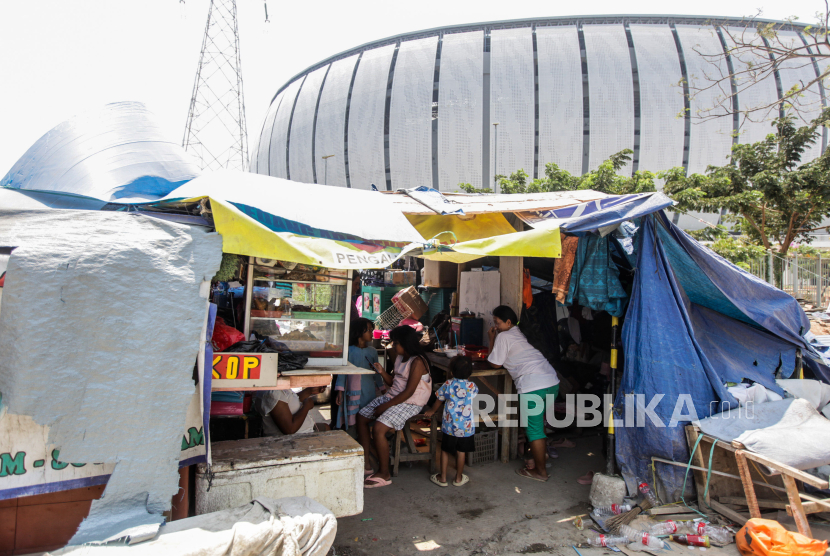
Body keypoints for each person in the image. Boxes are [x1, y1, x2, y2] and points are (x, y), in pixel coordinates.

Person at [487, 305, 560, 482]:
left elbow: (495, 363)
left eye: (497, 323)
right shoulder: (518, 332)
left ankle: (541, 473)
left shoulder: (503, 336)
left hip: (533, 387)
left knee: (534, 431)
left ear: (508, 322)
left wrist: (491, 338)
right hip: (552, 382)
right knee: (538, 427)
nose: (495, 326)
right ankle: (540, 457)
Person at [357, 325, 432, 488]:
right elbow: (394, 383)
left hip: (411, 402)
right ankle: (366, 463)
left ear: (405, 343)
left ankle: (384, 473)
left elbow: (409, 392)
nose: (393, 345)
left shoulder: (418, 361)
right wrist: (382, 372)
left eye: (395, 342)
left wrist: (385, 406)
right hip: (395, 396)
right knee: (362, 417)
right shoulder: (400, 357)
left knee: (378, 429)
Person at [425, 356, 478, 487]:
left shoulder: (448, 384)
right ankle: (458, 478)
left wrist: (432, 411)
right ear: (469, 373)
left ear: (452, 372)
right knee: (461, 452)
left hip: (449, 426)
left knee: (445, 450)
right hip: (466, 428)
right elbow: (473, 392)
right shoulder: (472, 386)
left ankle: (442, 478)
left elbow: (439, 400)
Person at [334, 318, 385, 433]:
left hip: (369, 390)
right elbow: (343, 373)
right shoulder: (348, 351)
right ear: (359, 332)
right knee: (353, 416)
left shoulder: (373, 351)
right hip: (352, 390)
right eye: (369, 330)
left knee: (367, 415)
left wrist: (382, 389)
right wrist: (340, 391)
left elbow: (377, 373)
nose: (371, 333)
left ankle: (365, 438)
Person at [253, 387, 326, 436]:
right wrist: (306, 407)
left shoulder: (281, 388)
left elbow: (290, 402)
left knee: (326, 427)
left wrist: (309, 391)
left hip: (305, 431)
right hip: (294, 440)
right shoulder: (272, 393)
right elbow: (290, 430)